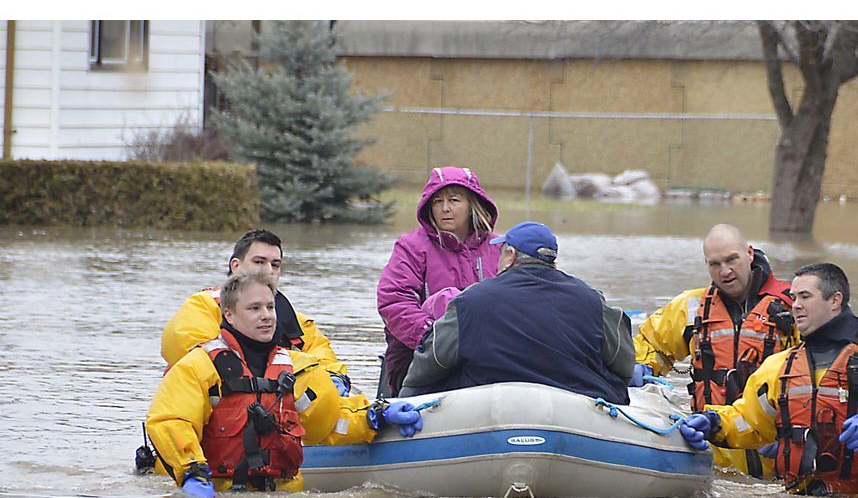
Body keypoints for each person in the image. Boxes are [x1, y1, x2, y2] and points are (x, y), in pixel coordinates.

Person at [679, 262, 858, 498]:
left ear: (835, 301)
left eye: (805, 297)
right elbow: (749, 421)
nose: (795, 304)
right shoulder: (779, 366)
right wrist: (714, 423)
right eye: (794, 297)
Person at [146, 272, 423, 498]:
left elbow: (329, 422)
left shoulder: (298, 369)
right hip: (218, 496)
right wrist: (192, 474)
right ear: (228, 315)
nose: (266, 315)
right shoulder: (200, 365)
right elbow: (171, 421)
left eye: (270, 307)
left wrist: (375, 416)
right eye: (254, 308)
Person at [399, 221, 635, 403]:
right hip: (579, 414)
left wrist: (406, 398)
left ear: (510, 256)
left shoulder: (470, 301)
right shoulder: (592, 300)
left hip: (481, 411)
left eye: (501, 252)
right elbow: (624, 366)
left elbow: (430, 364)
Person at [632, 223, 797, 479]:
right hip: (712, 449)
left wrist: (796, 432)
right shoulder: (693, 306)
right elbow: (652, 343)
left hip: (775, 451)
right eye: (715, 264)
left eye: (732, 260)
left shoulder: (793, 306)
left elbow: (820, 369)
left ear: (749, 253)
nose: (725, 271)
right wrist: (643, 366)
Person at [161, 228, 352, 395]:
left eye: (275, 265)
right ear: (236, 266)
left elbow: (323, 356)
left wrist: (332, 378)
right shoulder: (203, 306)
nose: (268, 270)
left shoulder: (297, 322)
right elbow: (186, 346)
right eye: (259, 262)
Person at [377, 166, 501, 396]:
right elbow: (394, 301)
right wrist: (434, 339)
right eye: (437, 202)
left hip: (488, 352)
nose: (445, 209)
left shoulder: (499, 248)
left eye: (454, 200)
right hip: (422, 351)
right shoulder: (411, 246)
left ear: (472, 204)